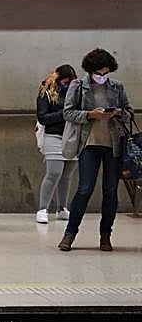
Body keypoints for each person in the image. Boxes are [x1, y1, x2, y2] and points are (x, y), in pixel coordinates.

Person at [58, 48, 135, 252]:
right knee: (84, 189)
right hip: (89, 144)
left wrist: (118, 113)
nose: (102, 77)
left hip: (113, 146)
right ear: (91, 71)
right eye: (99, 73)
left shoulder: (117, 87)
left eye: (106, 73)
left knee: (110, 191)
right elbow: (68, 113)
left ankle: (105, 235)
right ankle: (70, 233)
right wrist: (90, 115)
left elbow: (129, 111)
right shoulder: (78, 86)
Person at [35, 64, 78, 224]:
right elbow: (43, 117)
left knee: (67, 176)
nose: (67, 86)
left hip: (72, 136)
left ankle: (62, 208)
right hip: (53, 135)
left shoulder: (76, 93)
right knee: (53, 173)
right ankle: (42, 208)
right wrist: (65, 114)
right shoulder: (45, 92)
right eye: (65, 82)